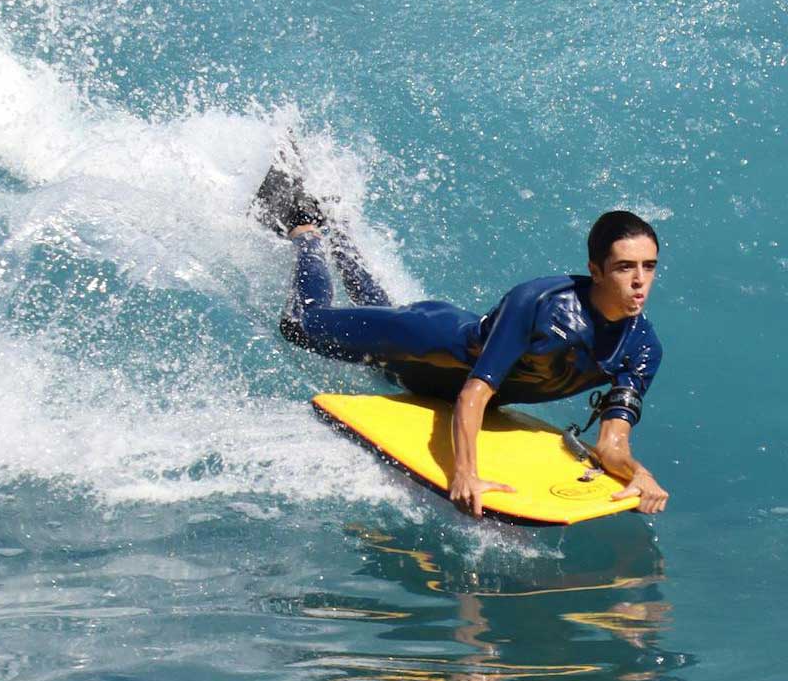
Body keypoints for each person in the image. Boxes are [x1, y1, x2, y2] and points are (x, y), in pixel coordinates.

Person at [255, 166, 669, 517]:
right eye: (625, 267)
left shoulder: (643, 348)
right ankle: (307, 231)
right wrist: (466, 473)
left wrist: (638, 473)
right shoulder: (541, 304)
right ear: (596, 270)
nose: (640, 281)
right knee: (302, 325)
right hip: (421, 344)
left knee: (374, 306)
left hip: (434, 380)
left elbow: (611, 444)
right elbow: (474, 393)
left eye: (648, 267)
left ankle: (340, 230)